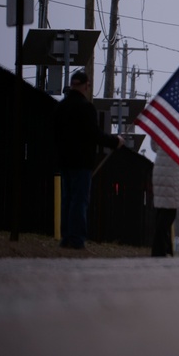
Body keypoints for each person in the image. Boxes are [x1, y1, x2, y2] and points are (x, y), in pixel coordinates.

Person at [56, 70, 124, 250]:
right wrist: (115, 141)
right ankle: (77, 239)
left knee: (67, 200)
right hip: (82, 162)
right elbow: (94, 134)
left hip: (64, 160)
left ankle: (66, 237)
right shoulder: (86, 108)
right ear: (86, 85)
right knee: (79, 201)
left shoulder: (61, 107)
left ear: (72, 84)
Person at [150, 140, 179, 257]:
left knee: (161, 212)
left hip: (159, 170)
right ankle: (160, 249)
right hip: (175, 171)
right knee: (168, 214)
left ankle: (163, 248)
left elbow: (154, 146)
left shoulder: (161, 124)